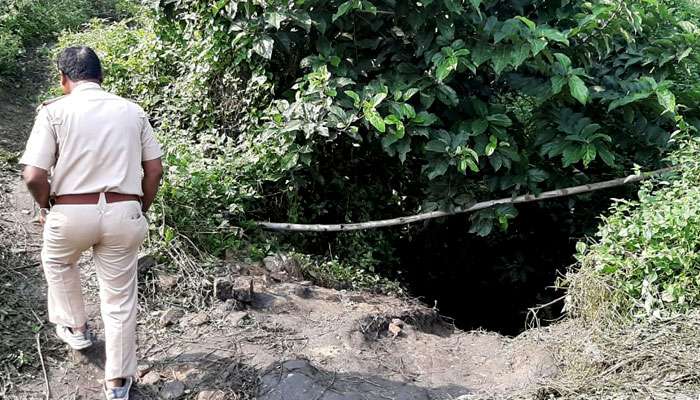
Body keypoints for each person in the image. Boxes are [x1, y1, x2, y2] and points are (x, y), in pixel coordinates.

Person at [19, 46, 163, 400]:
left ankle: (76, 326)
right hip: (125, 212)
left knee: (57, 260)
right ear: (102, 77)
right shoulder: (132, 111)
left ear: (63, 79)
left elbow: (34, 175)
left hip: (71, 213)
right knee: (119, 299)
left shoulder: (54, 112)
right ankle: (117, 383)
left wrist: (47, 205)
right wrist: (139, 207)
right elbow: (154, 170)